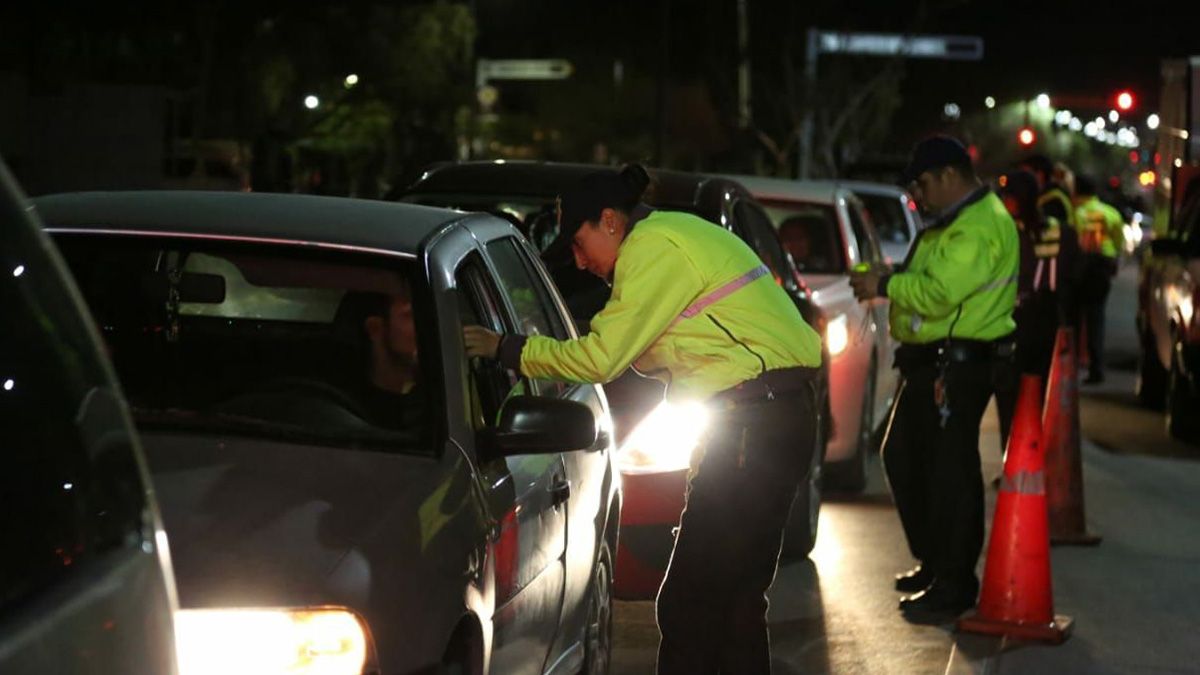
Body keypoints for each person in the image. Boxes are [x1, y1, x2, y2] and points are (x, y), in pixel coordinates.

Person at [463, 164, 824, 674]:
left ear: (610, 221)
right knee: (734, 598)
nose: (580, 260)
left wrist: (508, 348)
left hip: (753, 423)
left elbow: (602, 359)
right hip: (770, 417)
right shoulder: (671, 237)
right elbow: (647, 352)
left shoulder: (653, 249)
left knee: (690, 601)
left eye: (579, 242)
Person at [849, 136, 1018, 620]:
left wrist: (883, 284)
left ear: (948, 175)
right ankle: (938, 563)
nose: (920, 194)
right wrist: (891, 277)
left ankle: (956, 582)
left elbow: (941, 292)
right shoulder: (952, 222)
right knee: (903, 456)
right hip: (933, 362)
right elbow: (925, 279)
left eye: (923, 183)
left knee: (950, 474)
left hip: (959, 365)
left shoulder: (978, 226)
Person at [994, 169, 1082, 450]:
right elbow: (1074, 277)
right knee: (1040, 392)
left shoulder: (1006, 232)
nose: (1005, 203)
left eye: (1009, 198)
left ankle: (1019, 459)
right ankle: (1032, 457)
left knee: (1010, 393)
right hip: (1047, 321)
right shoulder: (1062, 233)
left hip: (1015, 322)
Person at [338, 287, 422, 429]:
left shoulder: (438, 402)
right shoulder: (343, 406)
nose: (429, 327)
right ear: (375, 328)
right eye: (411, 316)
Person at [1072, 174, 1125, 384]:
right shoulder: (1110, 213)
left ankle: (1070, 366)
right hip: (1103, 266)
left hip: (1081, 265)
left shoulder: (1077, 213)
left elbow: (1072, 240)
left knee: (1074, 318)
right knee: (1096, 317)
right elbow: (1118, 240)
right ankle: (1096, 368)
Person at [1020, 154, 1075, 230]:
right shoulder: (1042, 196)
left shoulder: (1054, 199)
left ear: (1040, 175)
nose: (1022, 180)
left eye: (1025, 175)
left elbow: (1048, 225)